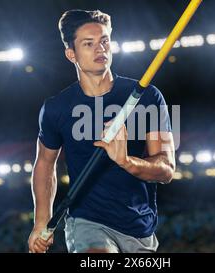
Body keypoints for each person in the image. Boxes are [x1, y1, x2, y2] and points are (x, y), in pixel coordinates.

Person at [28, 9, 176, 253]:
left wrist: (127, 161)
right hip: (87, 222)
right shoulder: (56, 108)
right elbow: (44, 164)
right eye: (89, 44)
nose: (100, 49)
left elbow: (167, 169)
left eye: (105, 41)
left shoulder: (148, 96)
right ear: (71, 54)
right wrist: (41, 222)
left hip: (139, 227)